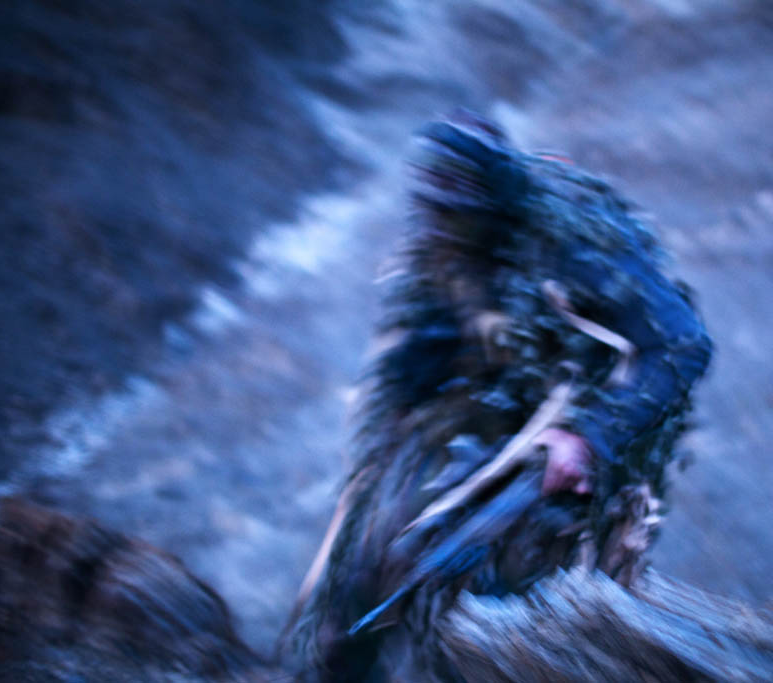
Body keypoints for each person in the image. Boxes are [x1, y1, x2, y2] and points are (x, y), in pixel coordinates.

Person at [283, 112, 712, 681]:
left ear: (490, 202)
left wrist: (589, 438)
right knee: (366, 568)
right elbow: (411, 358)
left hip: (594, 413)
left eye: (454, 210)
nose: (438, 225)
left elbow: (682, 344)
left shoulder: (570, 248)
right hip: (498, 398)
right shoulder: (436, 246)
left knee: (501, 593)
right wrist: (378, 460)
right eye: (432, 207)